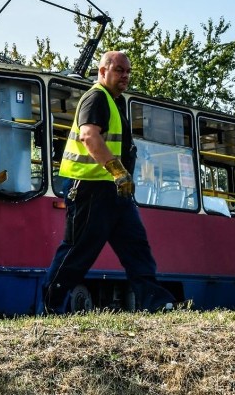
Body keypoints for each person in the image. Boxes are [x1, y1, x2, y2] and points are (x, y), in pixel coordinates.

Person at [43, 51, 174, 313]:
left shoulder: (114, 101)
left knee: (136, 247)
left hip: (115, 191)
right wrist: (118, 171)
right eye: (118, 70)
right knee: (79, 250)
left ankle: (155, 302)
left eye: (127, 71)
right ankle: (52, 301)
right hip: (92, 188)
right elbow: (89, 137)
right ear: (102, 71)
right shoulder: (96, 97)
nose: (124, 76)